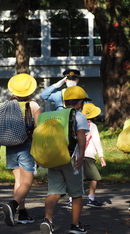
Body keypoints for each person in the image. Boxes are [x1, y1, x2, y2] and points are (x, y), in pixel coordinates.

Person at [0, 73, 41, 226]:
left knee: (18, 181)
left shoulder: (4, 106)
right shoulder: (33, 105)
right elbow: (39, 129)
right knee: (27, 183)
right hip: (26, 146)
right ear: (29, 89)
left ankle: (22, 213)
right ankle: (12, 205)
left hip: (10, 146)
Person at [40, 86, 89, 234]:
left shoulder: (52, 114)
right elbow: (81, 136)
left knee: (54, 191)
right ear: (80, 102)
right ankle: (75, 225)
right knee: (76, 193)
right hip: (71, 158)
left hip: (53, 157)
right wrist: (81, 155)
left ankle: (47, 220)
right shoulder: (79, 116)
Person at [82, 103, 106, 207]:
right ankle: (91, 199)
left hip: (75, 155)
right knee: (95, 177)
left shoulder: (76, 123)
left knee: (76, 179)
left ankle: (71, 200)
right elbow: (96, 141)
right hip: (88, 155)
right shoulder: (92, 126)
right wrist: (101, 156)